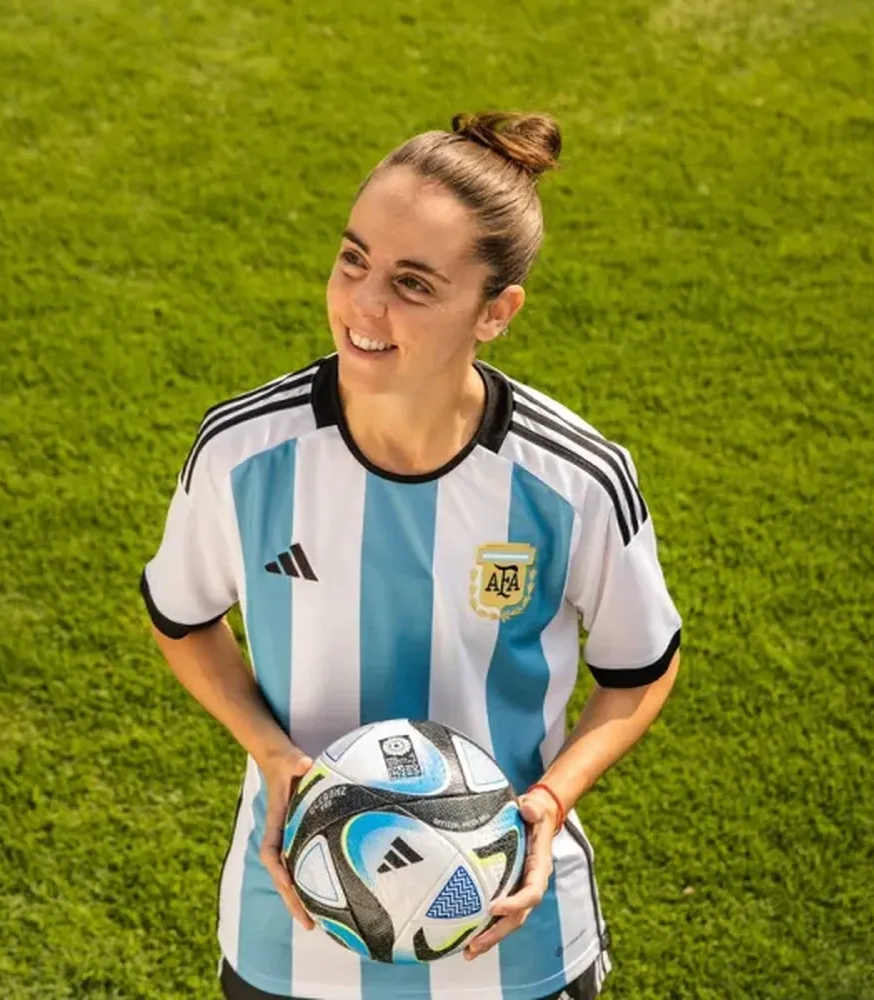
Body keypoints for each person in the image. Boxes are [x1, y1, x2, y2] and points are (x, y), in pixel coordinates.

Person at [139, 110, 683, 1000]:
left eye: (413, 284)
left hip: (512, 941)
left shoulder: (575, 480)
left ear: (497, 312)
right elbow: (182, 619)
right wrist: (277, 760)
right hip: (295, 935)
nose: (363, 305)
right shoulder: (242, 455)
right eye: (353, 260)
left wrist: (547, 805)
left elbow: (641, 669)